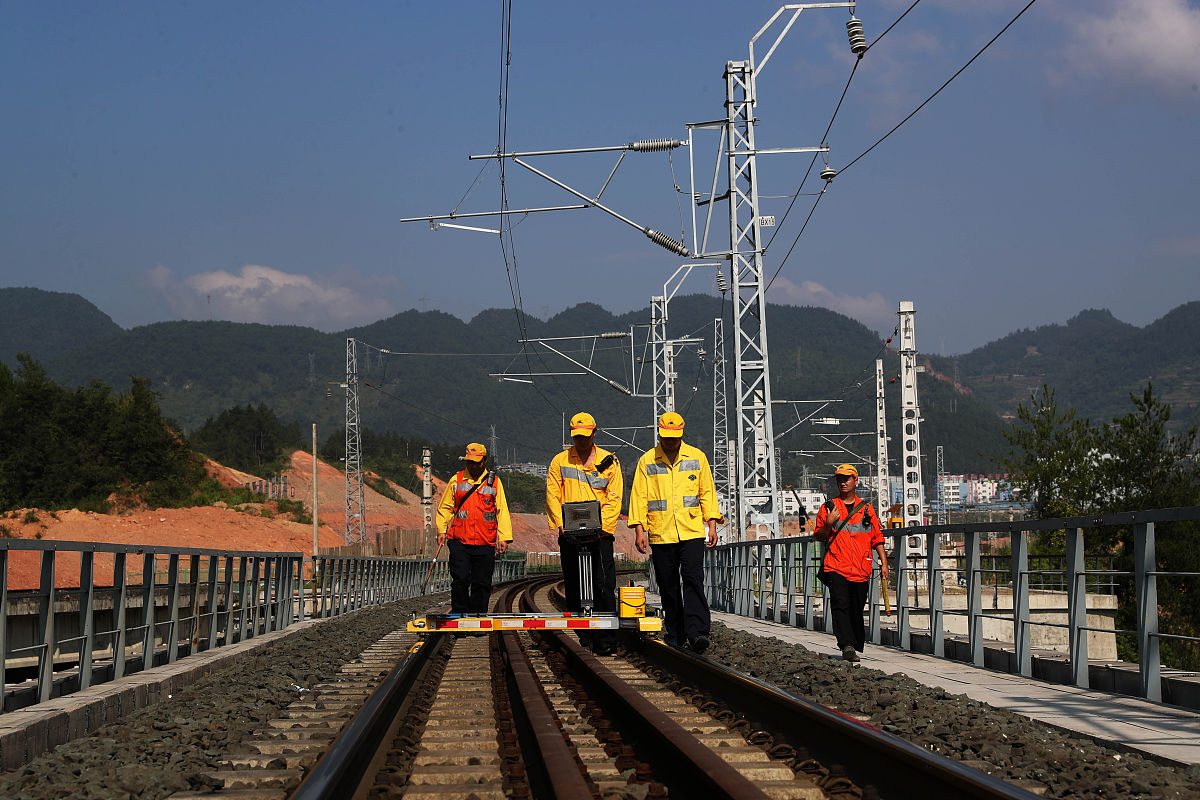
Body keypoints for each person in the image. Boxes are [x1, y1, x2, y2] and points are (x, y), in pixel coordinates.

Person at [630, 412, 720, 653]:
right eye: (666, 437)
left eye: (675, 437)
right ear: (659, 433)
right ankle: (676, 632)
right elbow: (639, 498)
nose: (670, 441)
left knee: (693, 580)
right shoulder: (647, 460)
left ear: (682, 434)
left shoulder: (697, 457)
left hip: (691, 530)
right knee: (667, 584)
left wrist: (711, 525)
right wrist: (640, 530)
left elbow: (707, 493)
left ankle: (697, 632)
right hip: (661, 532)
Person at [546, 412, 624, 655]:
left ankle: (606, 639)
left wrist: (605, 528)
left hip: (600, 535)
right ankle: (584, 636)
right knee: (576, 586)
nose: (580, 441)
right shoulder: (560, 461)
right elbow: (552, 494)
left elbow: (614, 496)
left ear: (594, 433)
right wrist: (561, 525)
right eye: (577, 437)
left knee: (603, 585)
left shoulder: (609, 461)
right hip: (570, 535)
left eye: (585, 436)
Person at [813, 463, 888, 663]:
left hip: (861, 567)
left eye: (847, 478)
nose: (843, 482)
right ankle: (846, 645)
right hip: (836, 565)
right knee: (840, 605)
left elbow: (877, 537)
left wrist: (884, 562)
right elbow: (819, 536)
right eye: (839, 479)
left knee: (856, 607)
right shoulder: (828, 507)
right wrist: (829, 522)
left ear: (856, 481)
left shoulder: (867, 509)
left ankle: (853, 644)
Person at [436, 442, 512, 614]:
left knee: (482, 582)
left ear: (484, 461)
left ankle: (478, 619)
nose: (473, 466)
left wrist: (505, 537)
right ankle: (460, 618)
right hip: (459, 540)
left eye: (477, 462)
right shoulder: (456, 480)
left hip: (485, 541)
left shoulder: (495, 483)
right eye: (470, 462)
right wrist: (441, 530)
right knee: (460, 579)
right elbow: (445, 507)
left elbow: (502, 510)